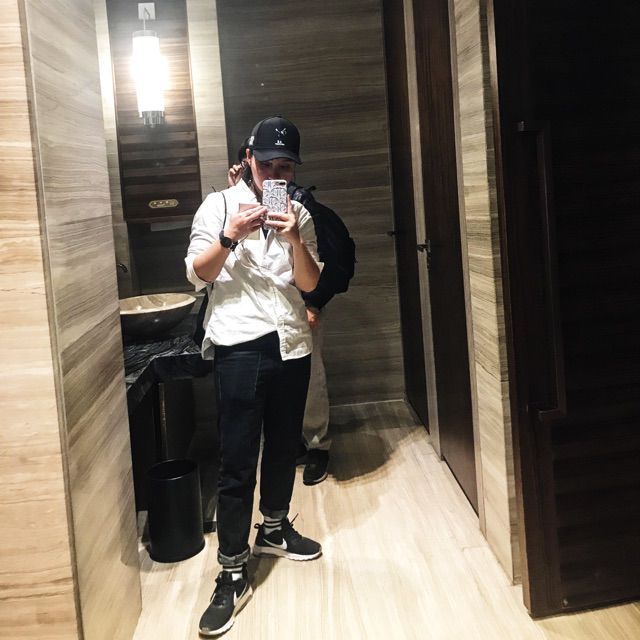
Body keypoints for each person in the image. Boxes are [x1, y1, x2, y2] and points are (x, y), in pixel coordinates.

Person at [185, 116, 323, 636]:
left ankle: (274, 528)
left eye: (286, 166)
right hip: (239, 345)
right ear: (248, 160)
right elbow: (197, 274)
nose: (275, 175)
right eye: (267, 165)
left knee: (285, 446)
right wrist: (230, 235)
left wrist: (296, 241)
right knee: (238, 458)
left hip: (291, 343)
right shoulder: (218, 206)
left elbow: (309, 284)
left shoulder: (298, 213)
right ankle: (232, 569)